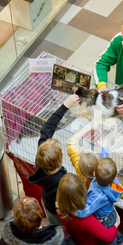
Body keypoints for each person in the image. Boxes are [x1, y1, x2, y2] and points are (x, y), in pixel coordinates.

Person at [56, 173, 120, 245]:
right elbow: (108, 236)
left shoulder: (61, 210)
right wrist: (115, 225)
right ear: (82, 192)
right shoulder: (85, 220)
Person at [28, 93, 80, 223]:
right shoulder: (62, 181)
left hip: (47, 203)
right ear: (61, 158)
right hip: (60, 213)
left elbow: (47, 129)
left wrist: (65, 106)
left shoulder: (41, 157)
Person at [76, 157, 123, 245]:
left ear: (94, 174)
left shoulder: (97, 194)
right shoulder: (114, 184)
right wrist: (104, 149)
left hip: (104, 222)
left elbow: (84, 211)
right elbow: (106, 167)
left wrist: (74, 209)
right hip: (111, 213)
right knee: (117, 235)